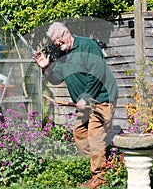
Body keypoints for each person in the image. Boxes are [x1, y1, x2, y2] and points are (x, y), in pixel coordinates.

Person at [34, 22, 118, 189]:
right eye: (54, 41)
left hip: (102, 98)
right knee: (79, 134)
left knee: (95, 135)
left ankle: (99, 176)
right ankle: (107, 159)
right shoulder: (62, 55)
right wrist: (46, 68)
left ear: (67, 33)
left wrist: (85, 98)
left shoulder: (88, 46)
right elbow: (56, 78)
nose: (57, 43)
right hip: (86, 104)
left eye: (58, 39)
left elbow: (97, 73)